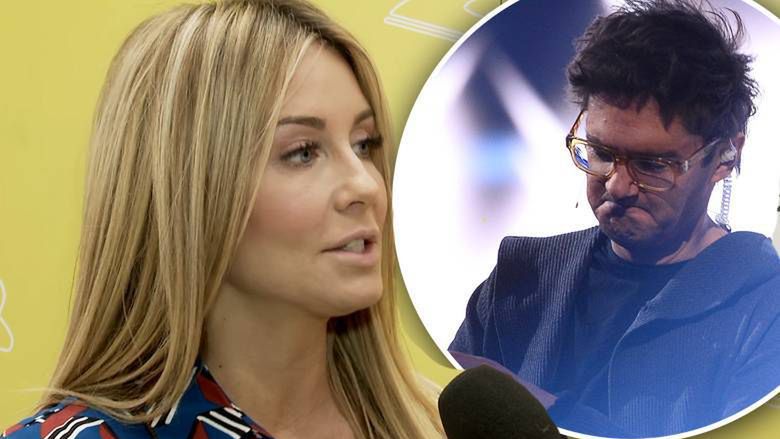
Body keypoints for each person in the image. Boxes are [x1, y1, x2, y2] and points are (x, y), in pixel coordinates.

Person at [2, 1, 443, 438]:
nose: (366, 185)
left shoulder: (440, 425)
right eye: (303, 152)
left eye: (364, 144)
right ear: (191, 191)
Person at [450, 0, 780, 437]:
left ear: (725, 155)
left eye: (653, 165)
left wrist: (548, 414)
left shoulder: (765, 308)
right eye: (601, 153)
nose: (617, 186)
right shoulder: (520, 278)